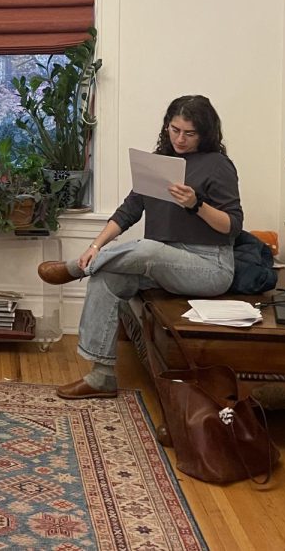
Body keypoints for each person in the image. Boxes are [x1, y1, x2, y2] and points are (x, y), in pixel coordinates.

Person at [37, 94, 243, 400]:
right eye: (175, 130)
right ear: (166, 127)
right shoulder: (158, 163)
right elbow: (129, 210)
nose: (180, 139)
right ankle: (101, 377)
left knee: (147, 249)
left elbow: (233, 225)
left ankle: (72, 269)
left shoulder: (218, 165)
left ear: (206, 132)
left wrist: (196, 204)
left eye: (189, 133)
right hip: (162, 262)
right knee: (107, 278)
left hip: (209, 265)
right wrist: (95, 245)